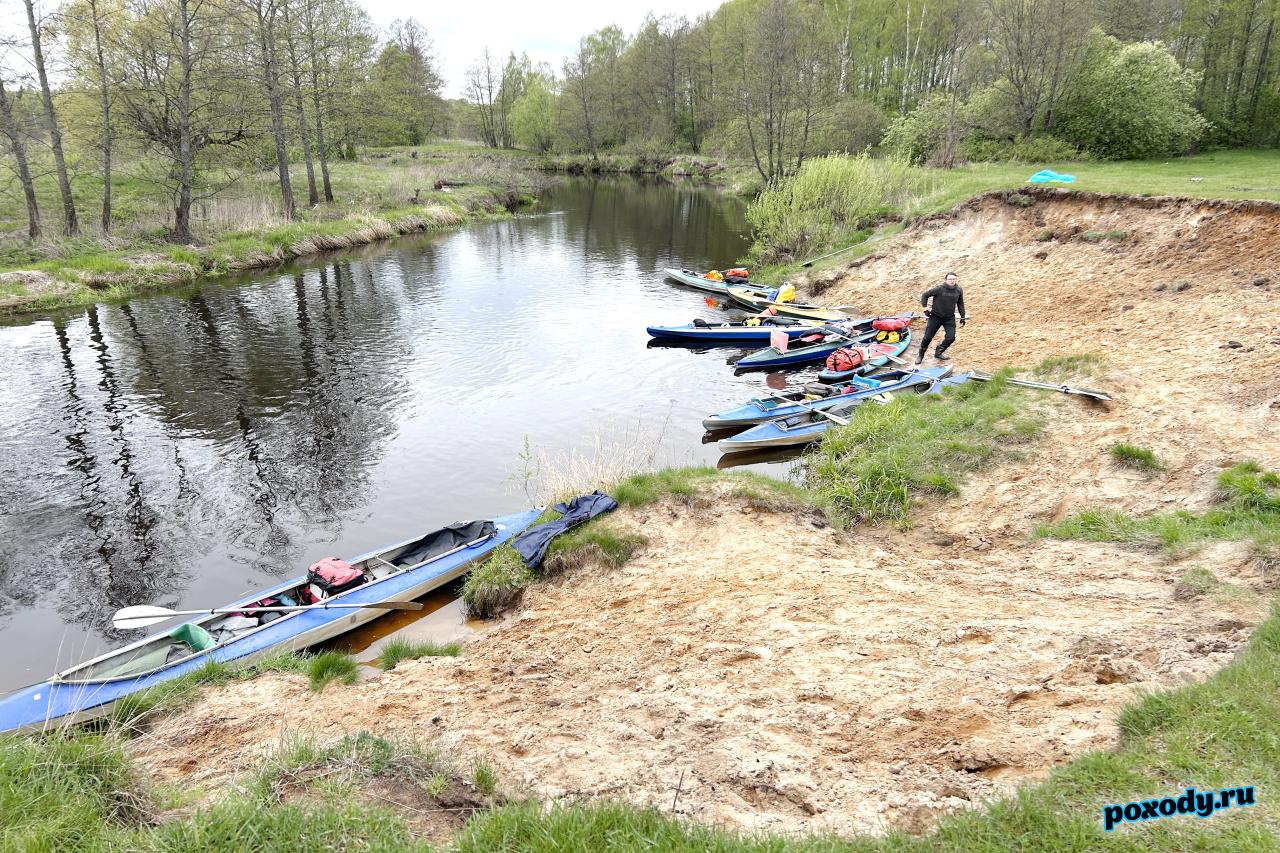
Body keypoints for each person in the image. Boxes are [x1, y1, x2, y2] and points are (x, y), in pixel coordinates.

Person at [915, 272, 966, 364]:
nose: (952, 281)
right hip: (935, 317)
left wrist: (963, 316)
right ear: (946, 280)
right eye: (950, 279)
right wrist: (925, 308)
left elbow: (960, 303)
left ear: (956, 280)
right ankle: (920, 355)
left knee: (951, 338)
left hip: (949, 318)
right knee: (927, 338)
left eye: (954, 279)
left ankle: (938, 352)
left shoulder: (959, 290)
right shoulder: (939, 288)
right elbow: (925, 295)